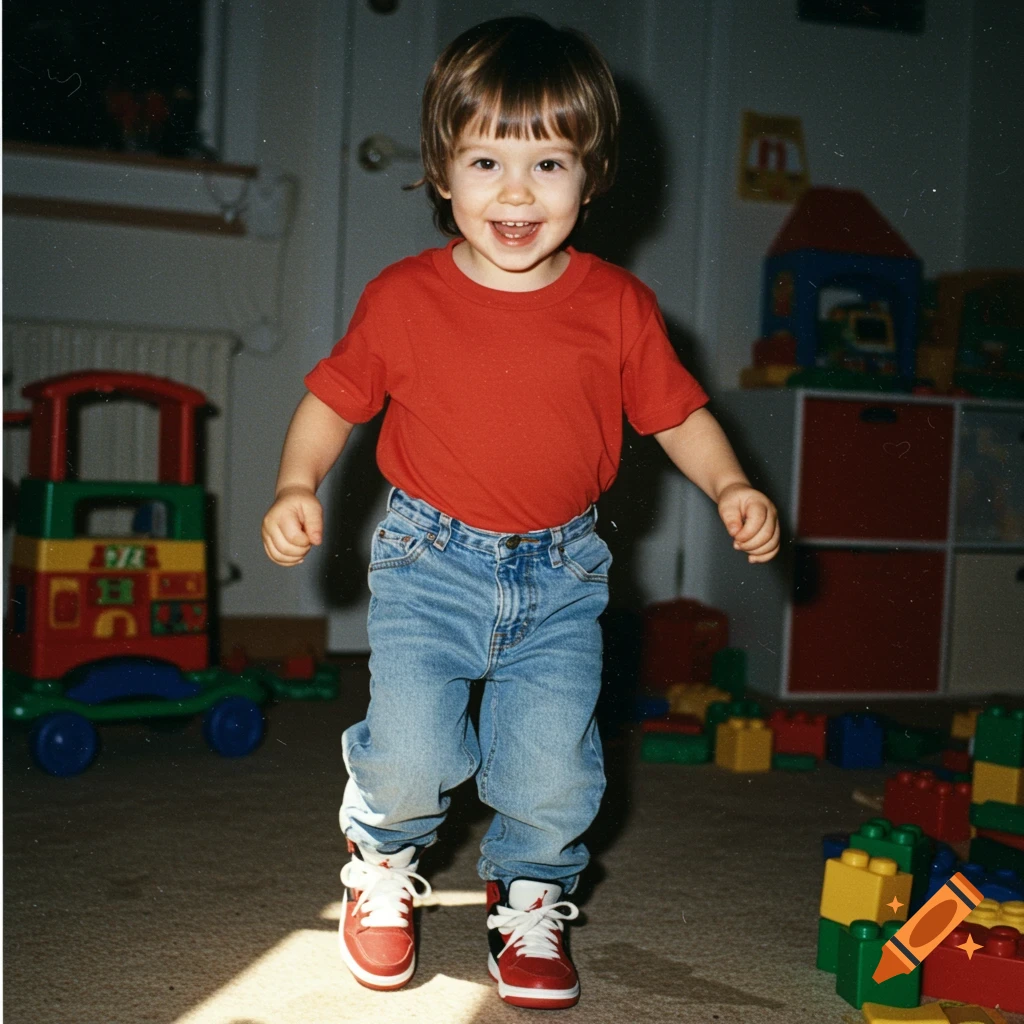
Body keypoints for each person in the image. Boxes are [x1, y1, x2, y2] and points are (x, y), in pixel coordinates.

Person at [261, 15, 779, 1010]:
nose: (514, 189)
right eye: (486, 158)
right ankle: (379, 856)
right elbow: (332, 399)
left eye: (549, 162)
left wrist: (730, 485)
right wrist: (297, 482)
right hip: (429, 557)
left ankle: (530, 889)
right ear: (441, 174)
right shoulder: (403, 299)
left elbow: (679, 414)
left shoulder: (618, 307)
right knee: (411, 745)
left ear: (591, 180)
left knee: (549, 757)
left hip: (563, 572)